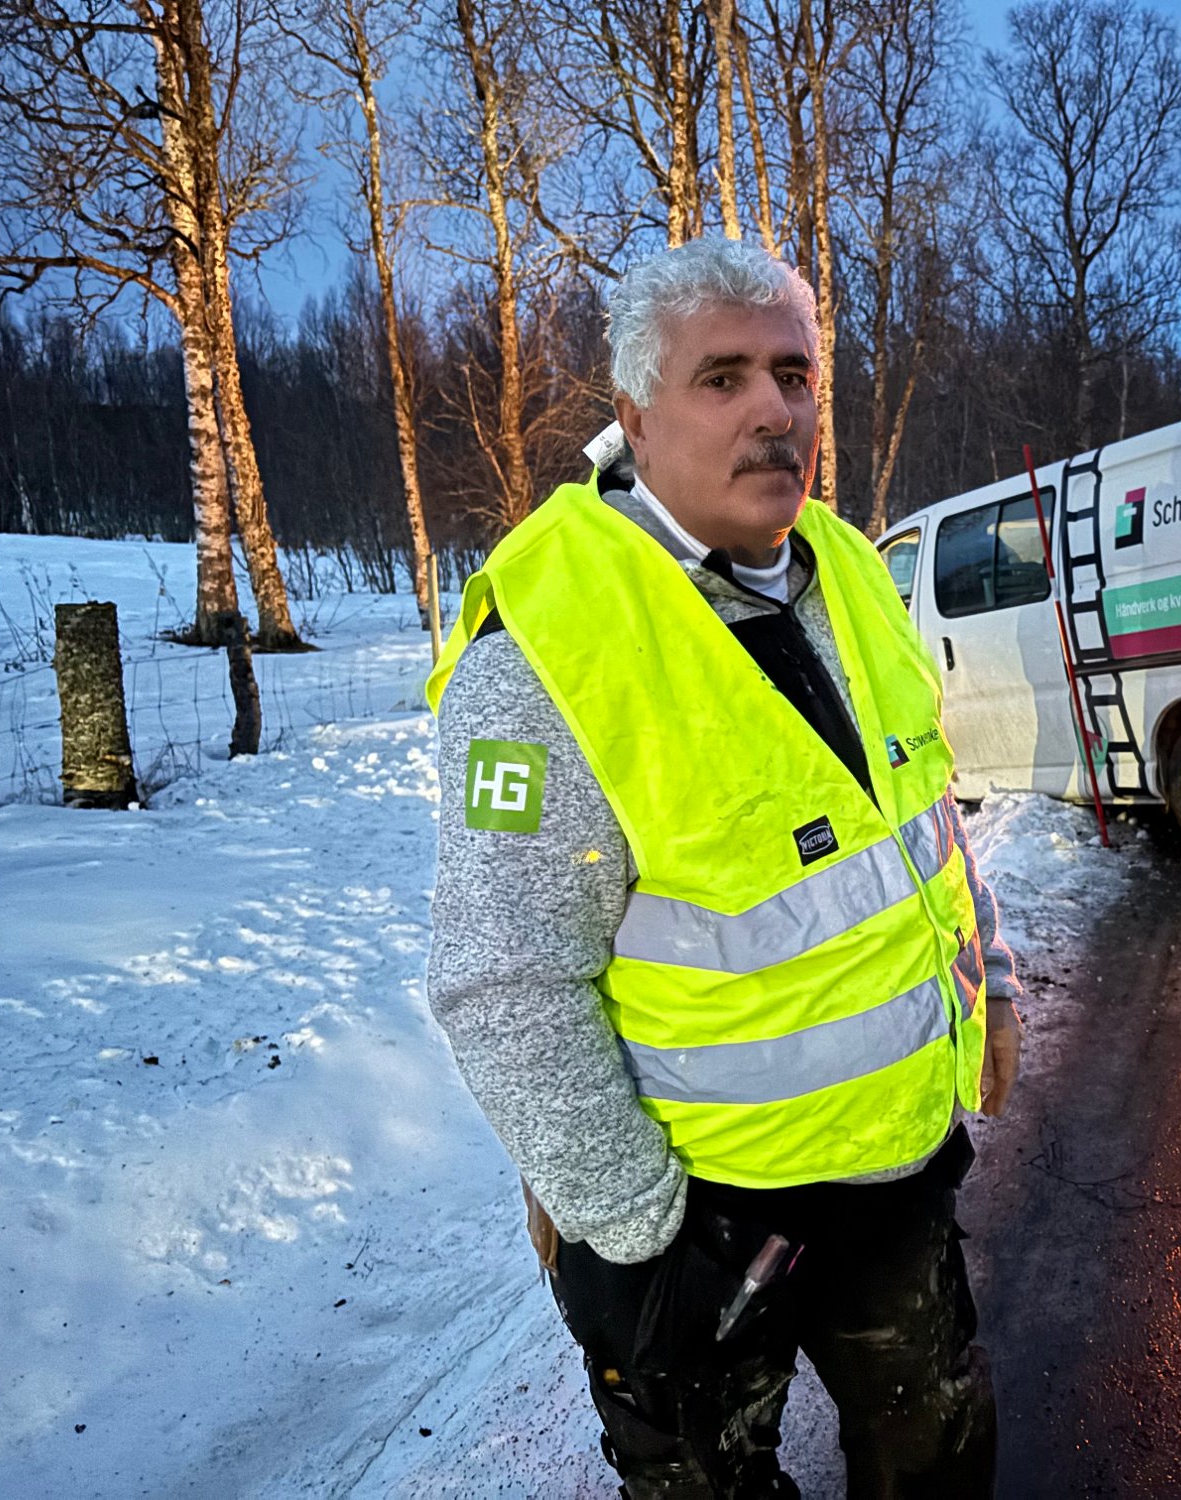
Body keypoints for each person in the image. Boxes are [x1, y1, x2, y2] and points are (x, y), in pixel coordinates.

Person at [424, 236, 1023, 1500]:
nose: (774, 411)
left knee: (936, 1461)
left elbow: (918, 819)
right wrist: (631, 1224)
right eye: (724, 377)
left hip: (893, 1173)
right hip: (706, 1218)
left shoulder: (849, 570)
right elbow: (505, 978)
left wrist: (994, 989)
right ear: (636, 416)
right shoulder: (544, 654)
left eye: (794, 375)